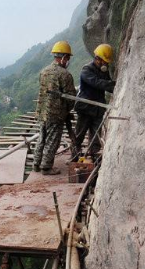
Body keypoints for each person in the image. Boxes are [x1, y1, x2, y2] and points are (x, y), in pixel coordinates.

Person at [33, 41, 76, 175]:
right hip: (55, 114)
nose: (68, 61)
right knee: (52, 139)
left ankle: (36, 163)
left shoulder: (44, 71)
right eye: (67, 58)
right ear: (63, 57)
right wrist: (67, 111)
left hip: (42, 112)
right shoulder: (65, 75)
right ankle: (46, 167)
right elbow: (70, 97)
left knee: (42, 137)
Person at [74, 43, 116, 159]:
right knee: (80, 133)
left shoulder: (104, 71)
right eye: (104, 61)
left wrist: (115, 85)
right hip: (85, 107)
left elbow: (107, 83)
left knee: (96, 133)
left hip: (97, 109)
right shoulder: (86, 70)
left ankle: (94, 154)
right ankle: (75, 154)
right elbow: (97, 83)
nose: (105, 64)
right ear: (98, 59)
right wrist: (115, 85)